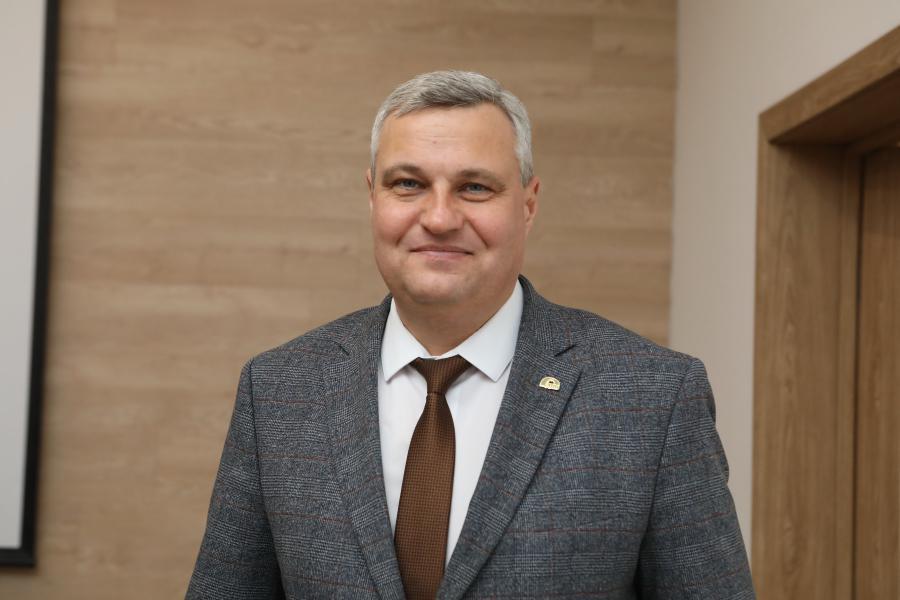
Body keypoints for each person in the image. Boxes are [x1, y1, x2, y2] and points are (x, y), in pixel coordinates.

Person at [186, 70, 755, 600]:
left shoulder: (654, 397)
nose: (439, 218)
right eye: (408, 184)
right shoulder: (279, 389)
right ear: (373, 196)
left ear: (528, 205)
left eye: (475, 188)